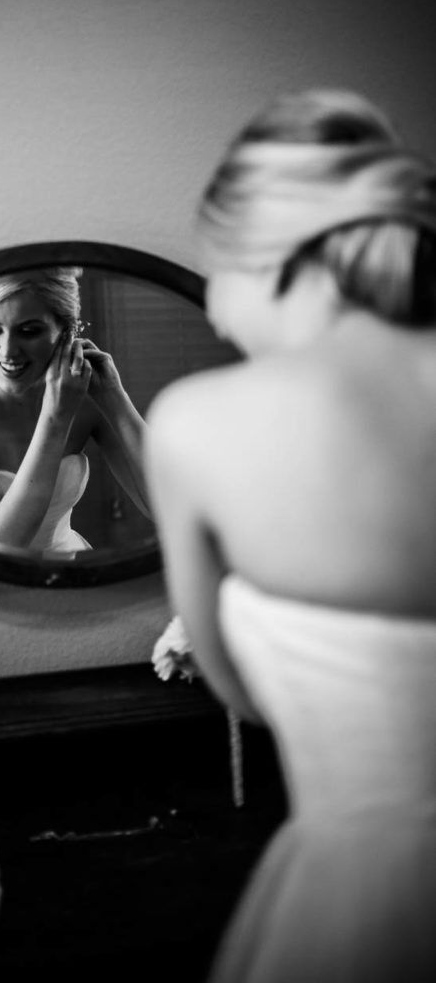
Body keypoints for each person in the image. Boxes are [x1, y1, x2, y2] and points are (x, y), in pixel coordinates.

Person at [144, 89, 436, 982]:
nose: (217, 314)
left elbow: (238, 690)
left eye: (213, 277)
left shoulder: (199, 423)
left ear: (273, 260)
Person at [0, 267, 150, 552]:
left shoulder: (88, 396)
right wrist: (55, 417)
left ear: (67, 332)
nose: (8, 351)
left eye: (29, 332)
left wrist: (114, 398)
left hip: (69, 576)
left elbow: (169, 505)